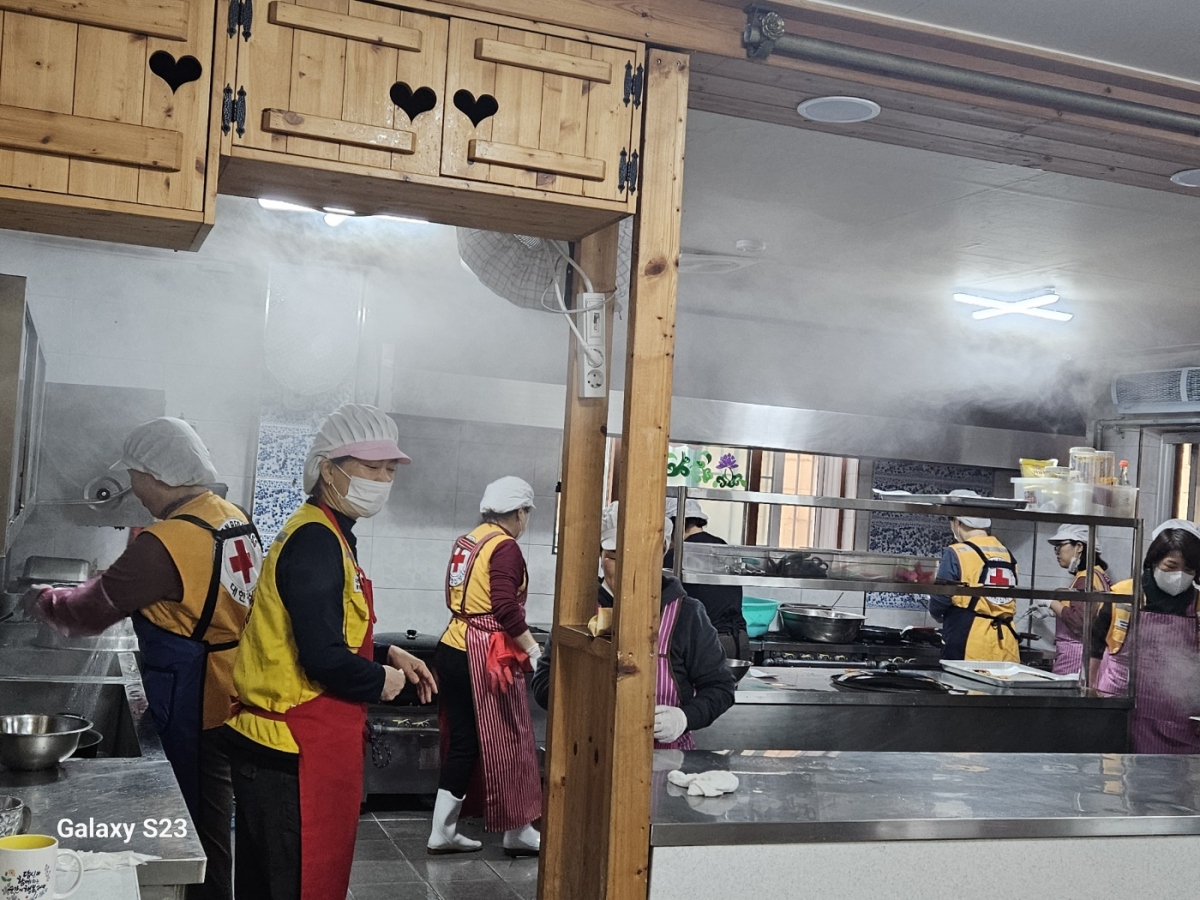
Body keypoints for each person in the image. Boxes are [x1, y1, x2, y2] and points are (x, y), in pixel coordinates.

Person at [25, 417, 259, 900]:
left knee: (192, 826)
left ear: (156, 474)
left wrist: (41, 599)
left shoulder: (167, 542)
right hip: (233, 687)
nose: (133, 486)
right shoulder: (230, 516)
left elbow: (86, 614)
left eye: (134, 475)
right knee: (211, 824)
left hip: (191, 697)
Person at [222, 404, 436, 900]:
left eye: (389, 470)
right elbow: (322, 658)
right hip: (291, 749)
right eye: (371, 467)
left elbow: (323, 630)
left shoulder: (327, 532)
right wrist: (381, 681)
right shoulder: (317, 539)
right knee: (294, 887)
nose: (382, 480)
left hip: (286, 746)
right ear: (328, 469)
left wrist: (385, 654)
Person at [530, 502, 736, 751]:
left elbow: (720, 688)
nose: (627, 568)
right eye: (615, 557)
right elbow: (543, 683)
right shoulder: (577, 609)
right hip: (586, 754)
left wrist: (684, 718)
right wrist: (586, 700)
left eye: (639, 556)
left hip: (663, 759)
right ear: (600, 556)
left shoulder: (686, 614)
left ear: (661, 554)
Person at [429, 476, 543, 858]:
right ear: (519, 512)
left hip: (452, 644)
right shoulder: (505, 546)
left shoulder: (468, 540)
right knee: (509, 739)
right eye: (526, 513)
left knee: (464, 740)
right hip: (485, 654)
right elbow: (505, 607)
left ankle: (442, 831)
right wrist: (533, 649)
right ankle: (518, 829)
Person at [1101, 519, 1200, 752]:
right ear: (1154, 560)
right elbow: (1095, 647)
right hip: (1123, 711)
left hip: (1179, 720)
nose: (1179, 576)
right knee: (1118, 771)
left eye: (1188, 570)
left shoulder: (1197, 605)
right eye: (1171, 566)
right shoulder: (1124, 594)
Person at [930, 490, 1020, 662]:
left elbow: (940, 600)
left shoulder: (956, 552)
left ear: (957, 521)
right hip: (1005, 642)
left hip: (970, 640)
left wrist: (935, 612)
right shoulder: (1006, 553)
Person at [663, 497, 750, 661]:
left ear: (675, 525)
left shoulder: (676, 556)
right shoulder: (722, 546)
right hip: (738, 640)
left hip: (705, 644)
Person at [1031, 524, 1113, 676]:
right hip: (1083, 656)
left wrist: (1052, 603)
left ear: (1079, 547)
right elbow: (1088, 613)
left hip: (1075, 659)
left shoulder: (1086, 578)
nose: (1057, 552)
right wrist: (1053, 612)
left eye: (1060, 545)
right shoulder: (1096, 574)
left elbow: (1080, 623)